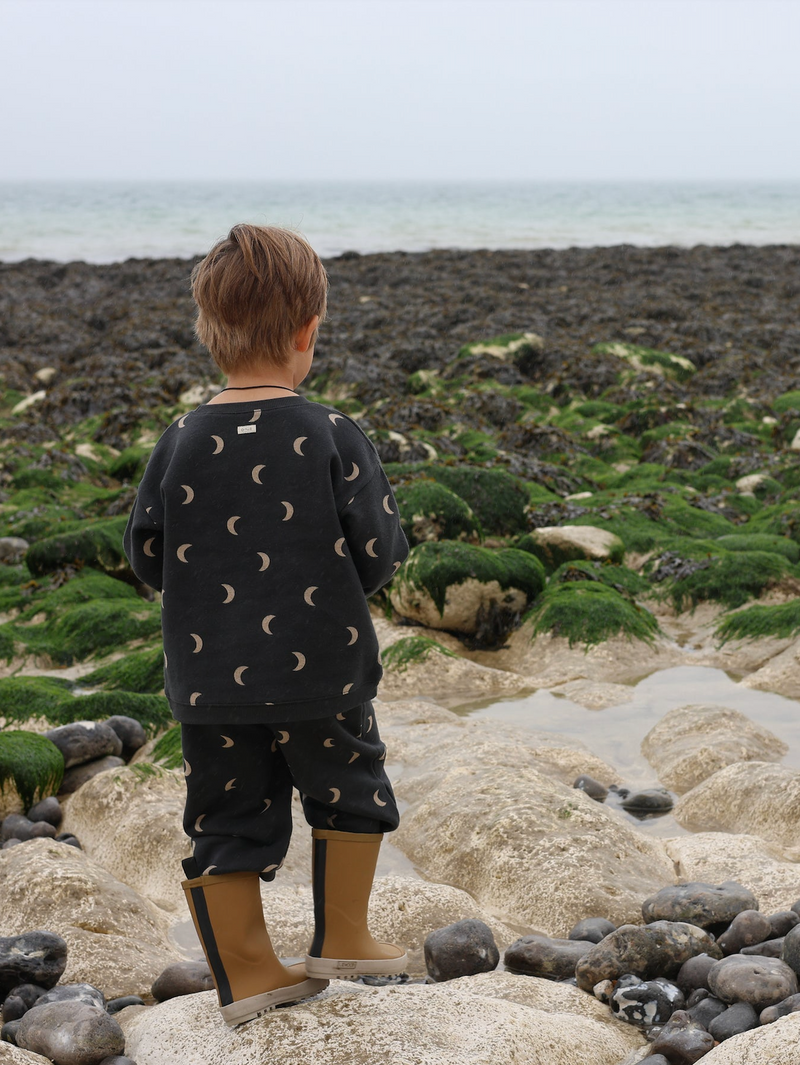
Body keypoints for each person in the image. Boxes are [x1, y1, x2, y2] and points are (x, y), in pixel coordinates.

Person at [123, 224, 410, 1027]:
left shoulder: (178, 441)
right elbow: (381, 548)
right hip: (324, 669)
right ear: (307, 333)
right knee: (350, 788)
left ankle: (248, 974)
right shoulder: (331, 433)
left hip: (211, 682)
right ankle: (344, 934)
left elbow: (146, 553)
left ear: (209, 334)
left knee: (223, 814)